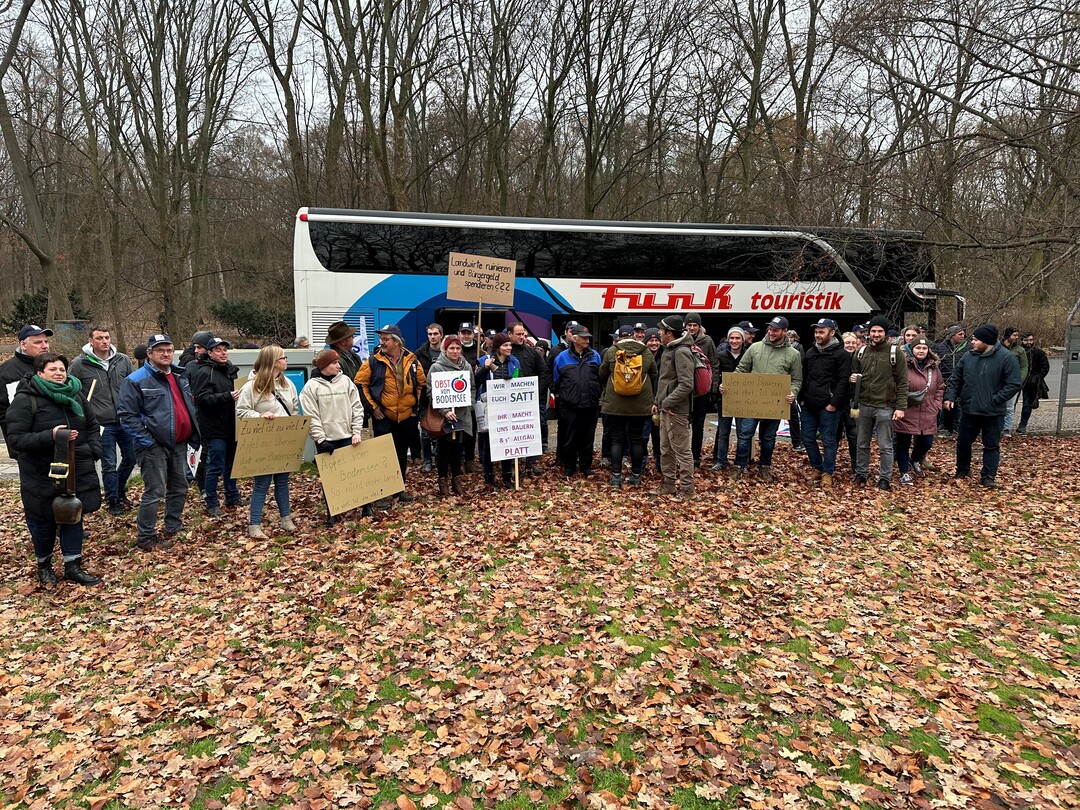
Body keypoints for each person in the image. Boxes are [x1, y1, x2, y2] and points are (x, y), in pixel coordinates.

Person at [6, 352, 103, 586]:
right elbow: (16, 439)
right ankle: (44, 566)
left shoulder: (76, 395)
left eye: (61, 369)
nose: (59, 373)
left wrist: (93, 449)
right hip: (41, 473)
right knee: (43, 521)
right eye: (53, 370)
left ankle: (73, 566)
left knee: (73, 516)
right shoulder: (26, 399)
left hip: (76, 469)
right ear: (40, 373)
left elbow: (92, 424)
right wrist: (49, 436)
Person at [117, 333, 201, 551]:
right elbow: (127, 416)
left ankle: (173, 525)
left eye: (169, 350)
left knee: (180, 486)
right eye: (160, 350)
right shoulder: (135, 380)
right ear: (149, 353)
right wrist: (146, 441)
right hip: (153, 446)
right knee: (154, 491)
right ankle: (146, 536)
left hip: (180, 443)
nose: (166, 354)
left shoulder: (180, 376)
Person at [69, 326, 138, 516]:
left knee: (131, 458)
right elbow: (72, 392)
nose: (105, 341)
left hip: (124, 419)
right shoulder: (79, 364)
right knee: (108, 463)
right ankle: (112, 500)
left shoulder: (122, 360)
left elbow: (134, 386)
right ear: (91, 341)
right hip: (101, 423)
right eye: (100, 338)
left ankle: (120, 489)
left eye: (107, 337)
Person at [944, 324, 1022, 488]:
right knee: (963, 442)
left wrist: (994, 400)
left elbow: (1013, 384)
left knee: (991, 445)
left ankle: (988, 476)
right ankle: (963, 469)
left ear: (987, 341)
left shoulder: (1007, 358)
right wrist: (950, 396)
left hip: (993, 412)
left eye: (975, 339)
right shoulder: (968, 356)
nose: (972, 342)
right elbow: (955, 379)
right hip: (970, 409)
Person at [356, 324, 426, 503]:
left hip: (406, 417)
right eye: (381, 339)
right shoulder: (373, 361)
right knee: (382, 456)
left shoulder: (412, 360)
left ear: (397, 342)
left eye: (386, 339)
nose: (382, 342)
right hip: (384, 417)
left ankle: (398, 489)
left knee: (402, 454)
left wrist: (414, 410)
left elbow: (421, 385)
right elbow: (360, 384)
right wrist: (373, 408)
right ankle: (380, 494)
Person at [729, 316, 803, 483]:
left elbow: (797, 379)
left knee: (768, 438)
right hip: (753, 402)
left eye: (775, 330)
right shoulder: (755, 348)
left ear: (785, 331)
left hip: (775, 404)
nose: (771, 332)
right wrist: (729, 384)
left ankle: (765, 467)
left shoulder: (794, 354)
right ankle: (739, 466)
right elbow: (741, 369)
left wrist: (793, 392)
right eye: (770, 329)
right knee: (745, 434)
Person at [236, 346, 300, 537]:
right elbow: (241, 411)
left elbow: (294, 408)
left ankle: (286, 518)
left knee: (282, 481)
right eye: (283, 357)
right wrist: (260, 415)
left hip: (284, 440)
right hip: (263, 441)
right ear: (273, 361)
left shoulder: (288, 384)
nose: (286, 360)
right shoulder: (251, 386)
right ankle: (254, 524)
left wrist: (293, 427)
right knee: (262, 483)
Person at [301, 349, 369, 522]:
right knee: (330, 478)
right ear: (324, 366)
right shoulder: (311, 386)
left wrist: (356, 431)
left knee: (356, 473)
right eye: (334, 363)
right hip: (327, 440)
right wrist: (321, 440)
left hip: (348, 436)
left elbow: (356, 407)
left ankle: (365, 506)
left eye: (338, 362)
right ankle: (333, 511)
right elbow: (311, 415)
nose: (338, 366)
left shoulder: (345, 381)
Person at [850, 315, 907, 490]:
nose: (876, 334)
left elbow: (903, 381)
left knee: (885, 445)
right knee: (861, 443)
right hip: (864, 404)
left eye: (879, 331)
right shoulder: (861, 352)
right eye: (873, 330)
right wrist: (851, 378)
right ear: (869, 332)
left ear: (885, 333)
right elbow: (854, 374)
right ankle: (861, 474)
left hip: (885, 405)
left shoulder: (895, 352)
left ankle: (885, 478)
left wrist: (900, 407)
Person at [187, 337, 242, 517]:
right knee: (215, 466)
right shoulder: (204, 372)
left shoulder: (230, 370)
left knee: (232, 465)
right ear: (209, 353)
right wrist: (227, 396)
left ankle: (232, 496)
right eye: (218, 350)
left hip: (232, 425)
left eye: (225, 349)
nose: (223, 353)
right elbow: (201, 399)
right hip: (214, 427)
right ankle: (211, 502)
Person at [599, 323, 657, 487]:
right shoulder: (645, 351)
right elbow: (654, 373)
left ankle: (616, 477)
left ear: (620, 336)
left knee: (616, 440)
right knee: (637, 440)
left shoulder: (612, 350)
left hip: (616, 404)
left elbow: (602, 373)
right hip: (640, 404)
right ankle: (636, 476)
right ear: (633, 335)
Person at [799, 318, 851, 488]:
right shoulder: (810, 352)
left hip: (829, 406)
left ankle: (828, 473)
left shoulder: (841, 354)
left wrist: (834, 403)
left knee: (828, 441)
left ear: (832, 332)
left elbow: (844, 381)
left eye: (821, 332)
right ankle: (817, 468)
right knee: (807, 438)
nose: (818, 335)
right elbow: (804, 376)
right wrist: (802, 398)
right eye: (816, 332)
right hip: (809, 404)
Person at [653, 315, 696, 497]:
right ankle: (668, 485)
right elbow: (665, 381)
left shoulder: (681, 352)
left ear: (669, 333)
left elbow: (687, 384)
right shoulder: (670, 349)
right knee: (666, 449)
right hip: (666, 408)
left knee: (682, 451)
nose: (659, 334)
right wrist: (657, 402)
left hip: (677, 411)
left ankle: (687, 490)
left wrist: (667, 402)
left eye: (661, 331)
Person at [552, 324, 602, 477]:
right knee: (570, 438)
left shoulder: (595, 356)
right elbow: (556, 379)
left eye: (588, 338)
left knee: (588, 438)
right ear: (574, 339)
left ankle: (586, 467)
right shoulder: (561, 357)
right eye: (583, 338)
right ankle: (569, 466)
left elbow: (600, 378)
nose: (587, 341)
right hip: (570, 405)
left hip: (590, 405)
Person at [894, 337, 945, 484]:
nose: (921, 351)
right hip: (907, 410)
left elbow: (940, 387)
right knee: (903, 443)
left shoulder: (934, 367)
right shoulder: (903, 364)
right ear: (912, 349)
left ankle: (915, 460)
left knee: (926, 443)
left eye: (924, 348)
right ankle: (904, 471)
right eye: (918, 348)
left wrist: (936, 405)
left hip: (928, 411)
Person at [427, 335, 472, 495]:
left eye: (458, 348)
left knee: (458, 450)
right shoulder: (437, 368)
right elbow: (431, 392)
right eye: (451, 348)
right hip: (444, 418)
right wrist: (445, 411)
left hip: (461, 415)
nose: (455, 351)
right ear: (445, 350)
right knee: (444, 450)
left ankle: (456, 480)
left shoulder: (466, 367)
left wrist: (469, 402)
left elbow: (472, 387)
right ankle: (443, 481)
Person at [475, 333, 521, 488]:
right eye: (505, 345)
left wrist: (512, 379)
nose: (508, 348)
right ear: (497, 347)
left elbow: (519, 379)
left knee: (506, 442)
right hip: (490, 408)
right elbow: (476, 381)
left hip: (507, 408)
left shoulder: (514, 362)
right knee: (489, 444)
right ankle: (489, 477)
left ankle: (507, 476)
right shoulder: (485, 360)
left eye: (510, 345)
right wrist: (485, 367)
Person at [0, 324, 54, 453]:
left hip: (55, 438)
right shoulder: (8, 372)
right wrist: (15, 442)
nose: (45, 346)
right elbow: (4, 411)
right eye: (38, 342)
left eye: (46, 341)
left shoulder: (53, 366)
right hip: (27, 444)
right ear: (23, 345)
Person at [508, 322, 548, 474]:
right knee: (513, 432)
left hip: (531, 400)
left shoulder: (533, 352)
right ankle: (512, 463)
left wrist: (536, 392)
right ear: (510, 334)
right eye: (518, 334)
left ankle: (531, 463)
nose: (522, 337)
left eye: (524, 334)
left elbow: (543, 373)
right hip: (510, 401)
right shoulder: (505, 352)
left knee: (531, 432)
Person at [711, 326, 747, 472]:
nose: (734, 341)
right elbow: (716, 374)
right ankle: (721, 461)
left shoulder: (748, 355)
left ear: (742, 340)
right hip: (724, 399)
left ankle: (741, 462)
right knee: (723, 431)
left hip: (743, 401)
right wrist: (718, 386)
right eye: (731, 338)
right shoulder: (720, 355)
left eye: (737, 338)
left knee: (742, 432)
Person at [684, 313, 717, 468]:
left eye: (694, 325)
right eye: (689, 325)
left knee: (698, 426)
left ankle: (696, 457)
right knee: (682, 426)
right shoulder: (679, 340)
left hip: (701, 391)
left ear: (699, 326)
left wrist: (712, 388)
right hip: (684, 391)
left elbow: (714, 364)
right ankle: (683, 457)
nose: (692, 328)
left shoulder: (707, 340)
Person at [415, 323, 444, 472]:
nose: (432, 337)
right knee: (425, 431)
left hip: (444, 399)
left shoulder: (447, 352)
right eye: (430, 334)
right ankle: (427, 460)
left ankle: (440, 459)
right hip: (425, 399)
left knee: (441, 430)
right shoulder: (420, 354)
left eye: (435, 334)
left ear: (441, 335)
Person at [934, 324, 967, 437]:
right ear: (952, 335)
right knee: (946, 404)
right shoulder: (940, 347)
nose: (963, 336)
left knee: (959, 404)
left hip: (961, 381)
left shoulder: (967, 348)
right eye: (960, 334)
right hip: (944, 380)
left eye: (963, 334)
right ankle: (946, 427)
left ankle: (958, 427)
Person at [836, 332, 860, 473]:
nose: (850, 346)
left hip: (854, 405)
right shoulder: (836, 358)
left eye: (853, 343)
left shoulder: (860, 359)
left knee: (854, 437)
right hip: (838, 403)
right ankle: (829, 466)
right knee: (834, 437)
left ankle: (856, 468)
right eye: (848, 343)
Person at [1018, 333, 1050, 434]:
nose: (1029, 342)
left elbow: (1045, 366)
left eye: (1031, 340)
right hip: (1016, 380)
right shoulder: (1018, 351)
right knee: (1010, 404)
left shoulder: (1038, 352)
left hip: (1032, 381)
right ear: (1022, 340)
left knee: (1027, 404)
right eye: (1026, 340)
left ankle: (1022, 425)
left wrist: (1037, 377)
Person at [1000, 327, 1029, 435]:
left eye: (1017, 335)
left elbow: (1024, 366)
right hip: (998, 381)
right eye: (1014, 335)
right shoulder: (997, 347)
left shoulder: (1019, 350)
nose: (1016, 338)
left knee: (1009, 407)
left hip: (1012, 382)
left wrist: (1019, 380)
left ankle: (1006, 428)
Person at [643, 327, 663, 472]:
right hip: (643, 403)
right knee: (642, 436)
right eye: (651, 340)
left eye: (657, 340)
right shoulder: (640, 356)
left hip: (661, 403)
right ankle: (641, 465)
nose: (654, 343)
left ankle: (660, 465)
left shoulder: (667, 356)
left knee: (659, 437)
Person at [325, 321, 362, 388]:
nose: (353, 338)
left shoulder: (354, 356)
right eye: (351, 336)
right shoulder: (335, 361)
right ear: (343, 342)